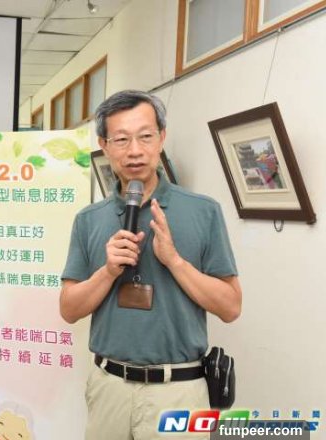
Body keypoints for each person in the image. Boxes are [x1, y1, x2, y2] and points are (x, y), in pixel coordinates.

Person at [59, 90, 242, 440]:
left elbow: (231, 307)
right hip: (109, 387)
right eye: (121, 139)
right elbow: (69, 310)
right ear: (104, 145)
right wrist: (108, 271)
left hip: (179, 391)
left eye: (145, 136)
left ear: (162, 137)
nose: (135, 151)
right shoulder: (89, 219)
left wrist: (174, 261)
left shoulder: (203, 211)